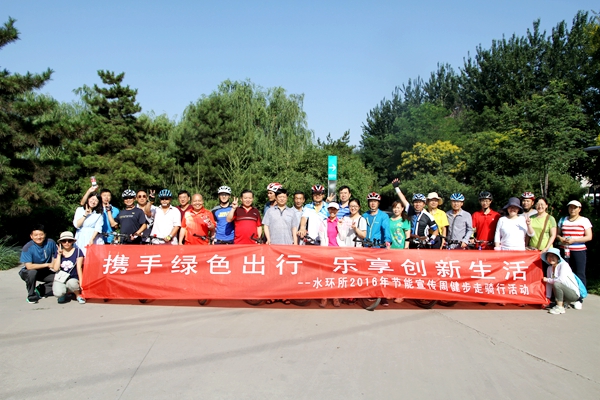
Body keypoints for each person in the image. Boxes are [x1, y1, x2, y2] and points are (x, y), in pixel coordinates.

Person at [556, 200, 593, 309]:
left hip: (579, 250)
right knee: (565, 274)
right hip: (565, 250)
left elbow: (589, 236)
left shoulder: (584, 220)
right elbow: (558, 234)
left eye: (575, 207)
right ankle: (567, 297)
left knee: (579, 273)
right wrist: (561, 238)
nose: (572, 209)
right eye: (570, 207)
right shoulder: (563, 220)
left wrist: (575, 240)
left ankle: (579, 298)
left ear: (579, 209)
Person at [392, 180, 439, 249]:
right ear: (413, 203)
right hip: (410, 242)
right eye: (416, 202)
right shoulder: (410, 211)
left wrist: (432, 239)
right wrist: (396, 187)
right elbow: (403, 199)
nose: (418, 204)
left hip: (423, 244)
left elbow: (436, 230)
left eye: (420, 202)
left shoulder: (428, 216)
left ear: (424, 204)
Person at [18, 224, 57, 303]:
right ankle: (31, 295)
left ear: (45, 235)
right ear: (31, 236)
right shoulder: (27, 247)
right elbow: (29, 266)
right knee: (32, 272)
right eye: (35, 235)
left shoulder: (50, 242)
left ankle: (41, 290)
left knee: (60, 279)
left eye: (41, 234)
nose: (39, 237)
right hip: (28, 271)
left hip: (44, 271)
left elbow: (57, 256)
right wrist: (48, 264)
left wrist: (55, 264)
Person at [318, 202, 343, 308]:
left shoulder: (341, 222)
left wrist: (340, 226)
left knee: (336, 275)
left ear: (337, 211)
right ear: (328, 210)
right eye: (331, 209)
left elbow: (343, 237)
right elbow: (322, 238)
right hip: (326, 251)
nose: (332, 211)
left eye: (334, 209)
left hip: (337, 251)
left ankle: (335, 297)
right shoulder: (323, 222)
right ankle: (324, 297)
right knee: (325, 275)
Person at [542, 248, 581, 315]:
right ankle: (563, 303)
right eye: (548, 256)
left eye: (553, 256)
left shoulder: (563, 265)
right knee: (555, 283)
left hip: (573, 294)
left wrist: (547, 280)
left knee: (556, 284)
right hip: (563, 293)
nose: (550, 258)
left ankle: (560, 307)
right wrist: (547, 297)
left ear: (558, 257)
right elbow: (549, 284)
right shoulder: (549, 268)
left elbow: (561, 280)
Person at [51, 231, 85, 304]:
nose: (67, 243)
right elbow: (55, 268)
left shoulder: (78, 251)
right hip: (61, 278)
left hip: (73, 277)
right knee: (58, 293)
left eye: (69, 241)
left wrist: (81, 282)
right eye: (64, 241)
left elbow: (79, 268)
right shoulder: (58, 252)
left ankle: (78, 295)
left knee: (72, 283)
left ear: (72, 241)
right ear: (61, 242)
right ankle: (63, 294)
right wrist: (59, 255)